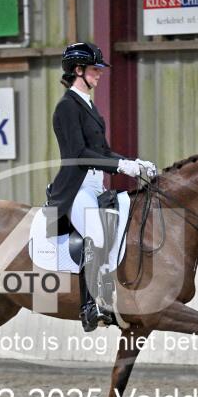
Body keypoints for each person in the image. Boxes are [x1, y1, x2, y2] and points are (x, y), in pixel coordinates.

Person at [46, 41, 157, 332]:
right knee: (96, 233)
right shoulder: (66, 107)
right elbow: (79, 154)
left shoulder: (90, 106)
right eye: (94, 69)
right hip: (75, 188)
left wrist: (132, 163)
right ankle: (90, 305)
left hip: (96, 186)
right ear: (78, 70)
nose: (100, 73)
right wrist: (120, 167)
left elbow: (103, 152)